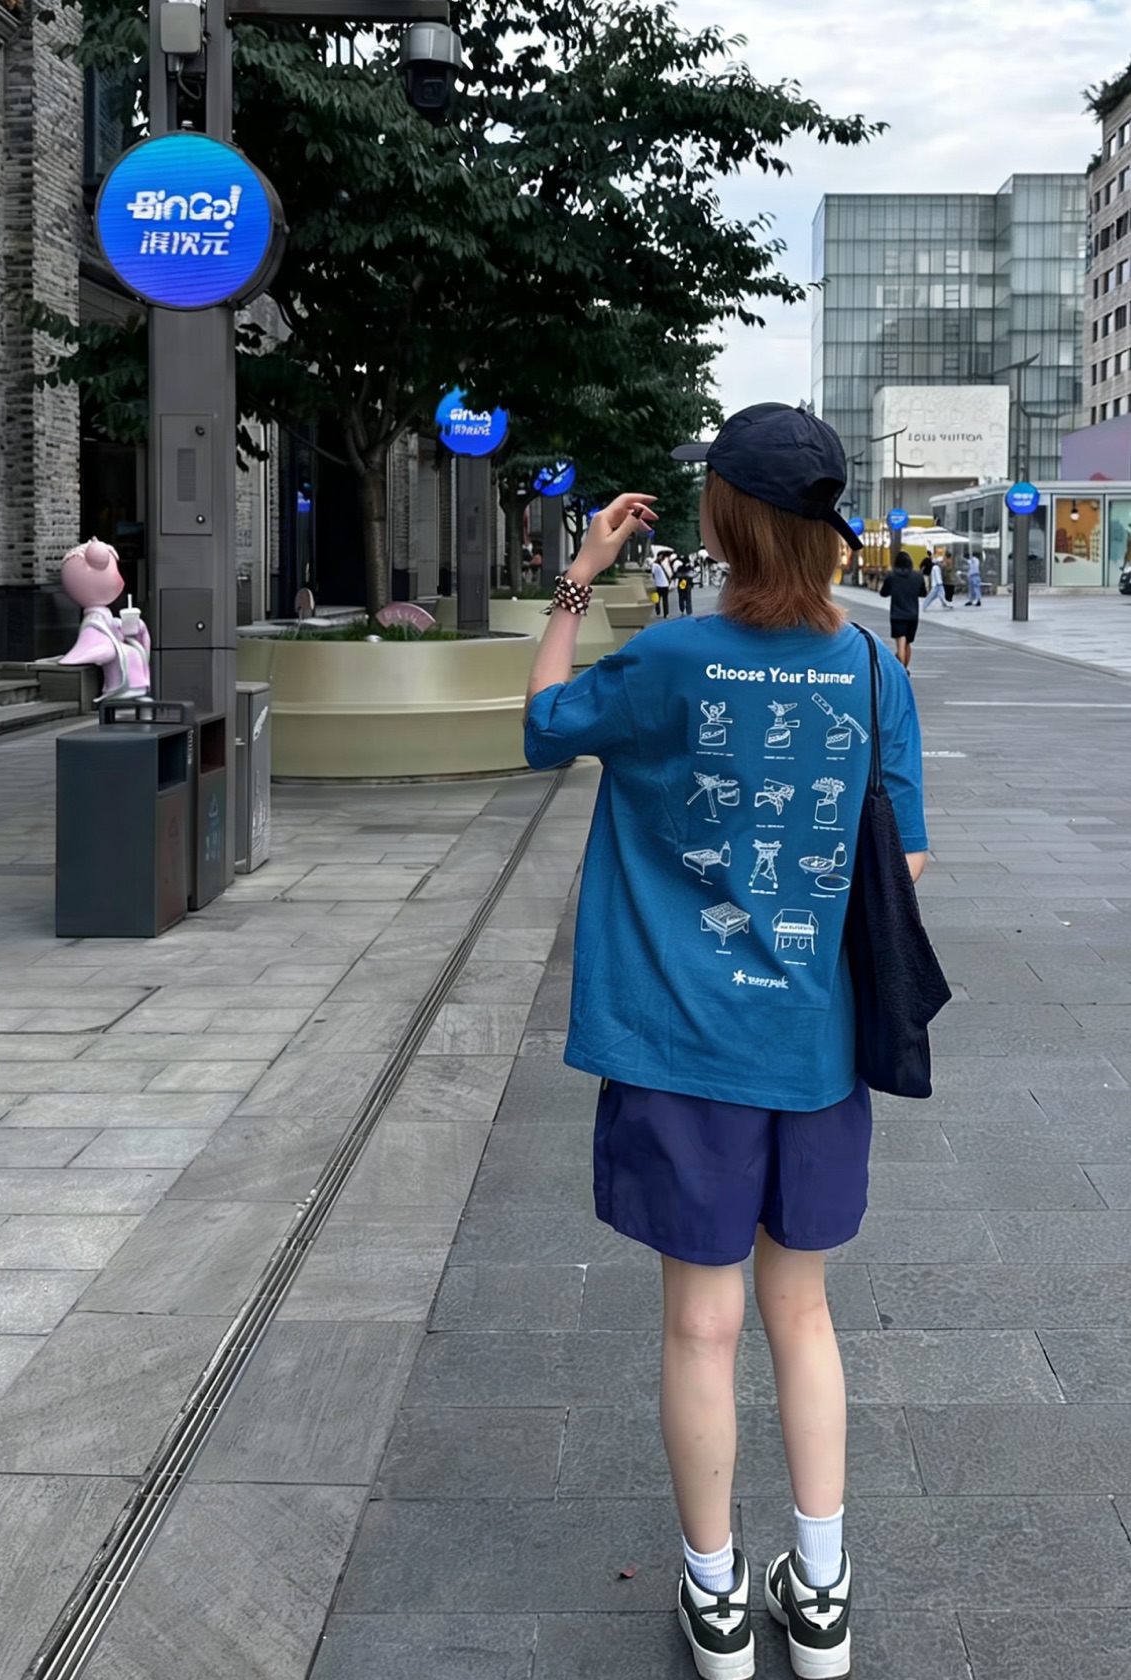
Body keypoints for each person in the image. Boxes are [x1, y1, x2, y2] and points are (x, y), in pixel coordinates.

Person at [522, 403, 927, 1680]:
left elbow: (541, 726)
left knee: (700, 1325)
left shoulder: (669, 659)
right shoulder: (873, 672)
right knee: (800, 1313)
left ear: (720, 522)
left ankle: (713, 1600)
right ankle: (821, 1595)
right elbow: (905, 862)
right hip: (813, 1047)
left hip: (677, 1045)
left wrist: (577, 580)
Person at [879, 551, 926, 669]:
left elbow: (884, 593)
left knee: (900, 643)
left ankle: (901, 670)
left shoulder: (891, 576)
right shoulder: (918, 576)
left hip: (897, 615)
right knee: (907, 643)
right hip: (913, 615)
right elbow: (923, 593)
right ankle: (904, 669)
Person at [650, 551, 673, 617]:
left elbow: (653, 574)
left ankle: (659, 611)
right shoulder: (661, 564)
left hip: (659, 584)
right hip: (664, 584)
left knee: (657, 599)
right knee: (664, 600)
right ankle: (665, 613)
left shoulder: (656, 564)